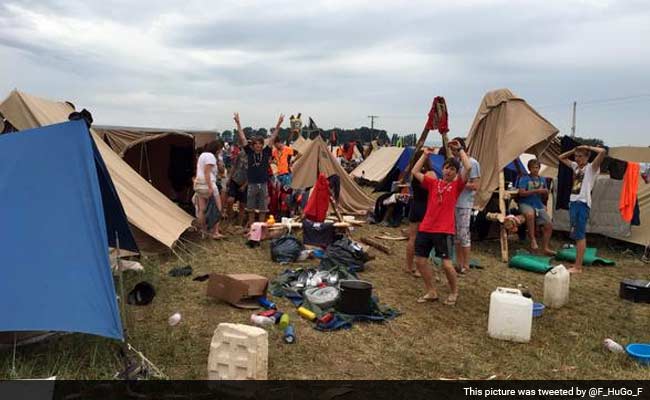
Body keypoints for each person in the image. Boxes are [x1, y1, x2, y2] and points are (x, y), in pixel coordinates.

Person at [411, 141, 471, 306]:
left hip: (444, 230)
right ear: (442, 169)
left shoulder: (456, 185)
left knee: (446, 264)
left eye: (452, 169)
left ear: (455, 173)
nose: (448, 171)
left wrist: (460, 151)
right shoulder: (434, 183)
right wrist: (425, 154)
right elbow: (414, 171)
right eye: (446, 168)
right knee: (420, 261)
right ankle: (431, 291)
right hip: (426, 227)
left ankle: (454, 292)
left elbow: (469, 168)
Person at [559, 144, 606, 274]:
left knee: (580, 235)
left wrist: (588, 147)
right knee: (576, 234)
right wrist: (573, 150)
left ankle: (578, 267)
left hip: (582, 203)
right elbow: (561, 157)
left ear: (587, 157)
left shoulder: (591, 168)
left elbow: (602, 152)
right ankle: (577, 263)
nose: (577, 159)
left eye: (580, 156)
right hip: (574, 202)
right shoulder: (575, 167)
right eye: (576, 156)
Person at [234, 112, 284, 228]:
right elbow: (242, 137)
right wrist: (238, 123)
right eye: (255, 144)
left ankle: (261, 229)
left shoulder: (266, 152)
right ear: (253, 145)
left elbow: (272, 138)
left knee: (263, 209)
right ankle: (252, 229)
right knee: (250, 209)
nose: (258, 146)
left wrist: (279, 124)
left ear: (262, 145)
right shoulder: (249, 152)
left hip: (263, 184)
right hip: (252, 184)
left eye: (259, 144)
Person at [449, 137, 480, 275]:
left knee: (463, 234)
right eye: (452, 149)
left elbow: (476, 185)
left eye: (455, 148)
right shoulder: (455, 163)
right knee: (455, 235)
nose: (453, 151)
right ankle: (458, 263)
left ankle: (466, 264)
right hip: (453, 203)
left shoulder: (472, 163)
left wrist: (459, 184)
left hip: (465, 204)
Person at [403, 149, 435, 277]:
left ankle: (409, 266)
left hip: (415, 205)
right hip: (425, 207)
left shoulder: (413, 174)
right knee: (421, 240)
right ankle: (417, 268)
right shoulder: (430, 173)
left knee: (412, 238)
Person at [517, 159, 554, 255]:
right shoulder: (524, 179)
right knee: (530, 215)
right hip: (525, 203)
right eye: (533, 167)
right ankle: (533, 240)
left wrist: (545, 193)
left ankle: (545, 247)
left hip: (538, 204)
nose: (535, 169)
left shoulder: (542, 179)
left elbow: (545, 195)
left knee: (548, 224)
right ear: (529, 168)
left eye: (537, 167)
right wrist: (536, 191)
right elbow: (521, 193)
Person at [193, 140, 224, 239]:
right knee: (218, 208)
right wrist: (210, 187)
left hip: (198, 184)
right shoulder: (211, 157)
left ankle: (203, 231)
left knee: (202, 209)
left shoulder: (202, 155)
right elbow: (207, 173)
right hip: (208, 184)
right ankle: (215, 232)